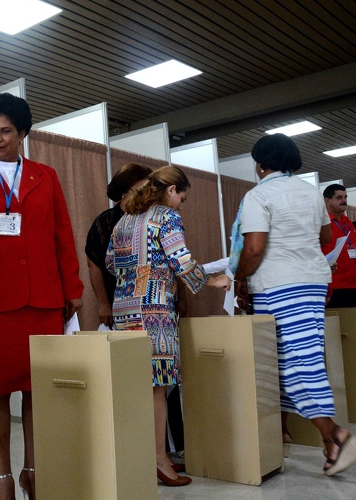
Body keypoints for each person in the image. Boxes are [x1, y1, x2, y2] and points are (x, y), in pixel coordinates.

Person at [0, 93, 83, 500]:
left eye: (5, 131)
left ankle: (33, 471)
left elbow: (63, 235)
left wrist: (72, 289)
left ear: (23, 133)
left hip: (43, 301)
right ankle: (2, 480)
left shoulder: (47, 176)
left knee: (36, 391)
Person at [233, 134, 356, 476]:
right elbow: (325, 239)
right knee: (302, 357)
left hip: (279, 285)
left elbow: (254, 249)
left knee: (290, 363)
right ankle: (325, 441)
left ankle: (336, 433)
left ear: (260, 164)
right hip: (313, 282)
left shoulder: (258, 195)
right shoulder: (309, 192)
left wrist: (240, 276)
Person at [106, 165, 231, 487]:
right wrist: (214, 281)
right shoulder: (165, 217)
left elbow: (109, 262)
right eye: (182, 197)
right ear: (171, 190)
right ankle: (160, 461)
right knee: (157, 387)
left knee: (135, 386)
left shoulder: (124, 219)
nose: (181, 205)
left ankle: (140, 456)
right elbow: (180, 259)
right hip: (154, 310)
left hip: (125, 310)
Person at [85, 163, 152, 328]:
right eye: (139, 191)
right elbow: (94, 265)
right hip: (119, 305)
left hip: (151, 302)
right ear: (123, 192)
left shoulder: (153, 220)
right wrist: (103, 303)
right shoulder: (105, 222)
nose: (145, 197)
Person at [322, 184, 356, 307]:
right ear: (327, 200)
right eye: (339, 197)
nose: (344, 200)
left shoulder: (348, 223)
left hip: (353, 284)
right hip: (336, 286)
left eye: (345, 197)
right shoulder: (323, 224)